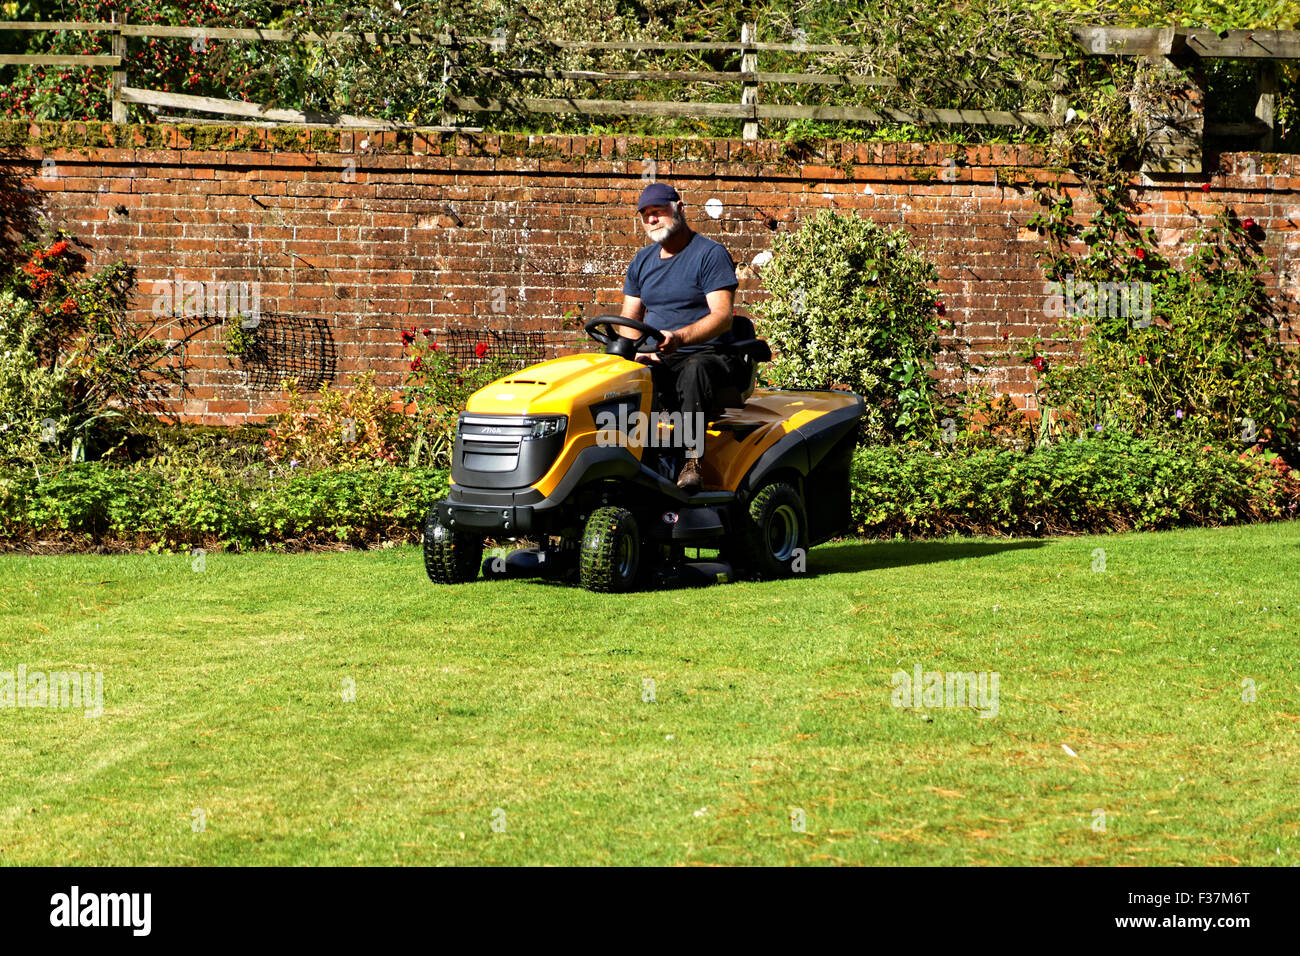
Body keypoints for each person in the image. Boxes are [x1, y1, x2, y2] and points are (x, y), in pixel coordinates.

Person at [618, 183, 747, 493]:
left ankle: (691, 460)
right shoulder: (642, 261)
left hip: (709, 355)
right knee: (617, 377)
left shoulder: (709, 254)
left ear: (678, 208)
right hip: (659, 356)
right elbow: (628, 319)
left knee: (694, 369)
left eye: (658, 212)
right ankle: (625, 456)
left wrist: (679, 338)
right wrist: (636, 351)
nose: (651, 220)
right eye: (645, 215)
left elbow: (722, 316)